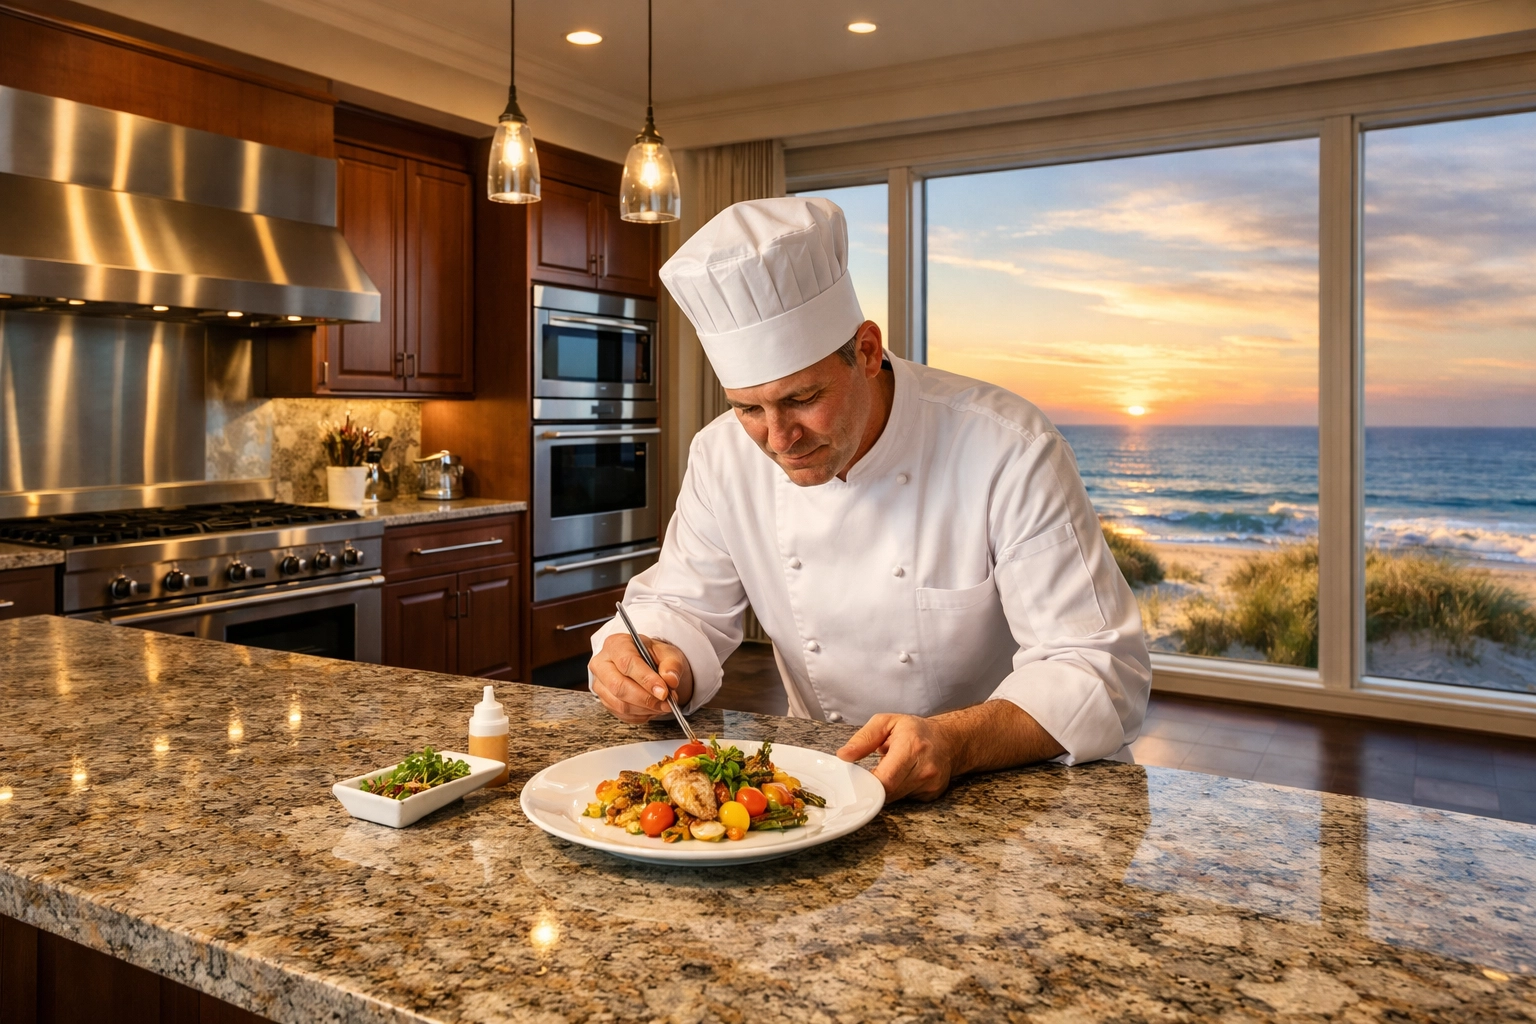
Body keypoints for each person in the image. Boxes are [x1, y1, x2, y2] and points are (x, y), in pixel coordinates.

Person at [589, 196, 1150, 801]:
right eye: (749, 407)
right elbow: (685, 607)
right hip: (827, 787)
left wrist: (955, 741)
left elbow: (1097, 667)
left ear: (866, 350)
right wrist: (652, 659)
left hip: (1007, 789)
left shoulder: (1008, 446)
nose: (779, 440)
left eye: (802, 398)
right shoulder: (721, 455)